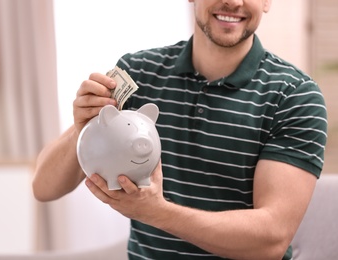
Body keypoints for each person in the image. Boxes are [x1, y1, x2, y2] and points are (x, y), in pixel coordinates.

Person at [32, 0, 328, 259]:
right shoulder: (137, 75)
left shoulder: (294, 97)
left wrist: (157, 213)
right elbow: (43, 188)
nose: (232, 1)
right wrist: (82, 127)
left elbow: (272, 239)